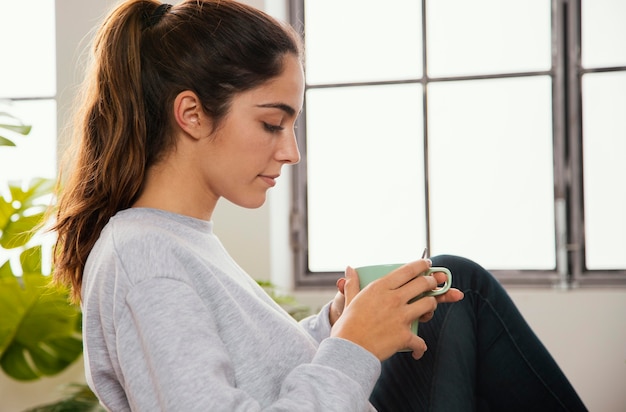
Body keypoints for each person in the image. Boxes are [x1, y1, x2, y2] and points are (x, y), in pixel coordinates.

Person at [51, 0, 587, 411]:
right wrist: (353, 345)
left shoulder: (178, 240)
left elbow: (262, 373)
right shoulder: (143, 255)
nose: (291, 151)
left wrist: (337, 323)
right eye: (270, 123)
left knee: (452, 288)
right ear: (191, 114)